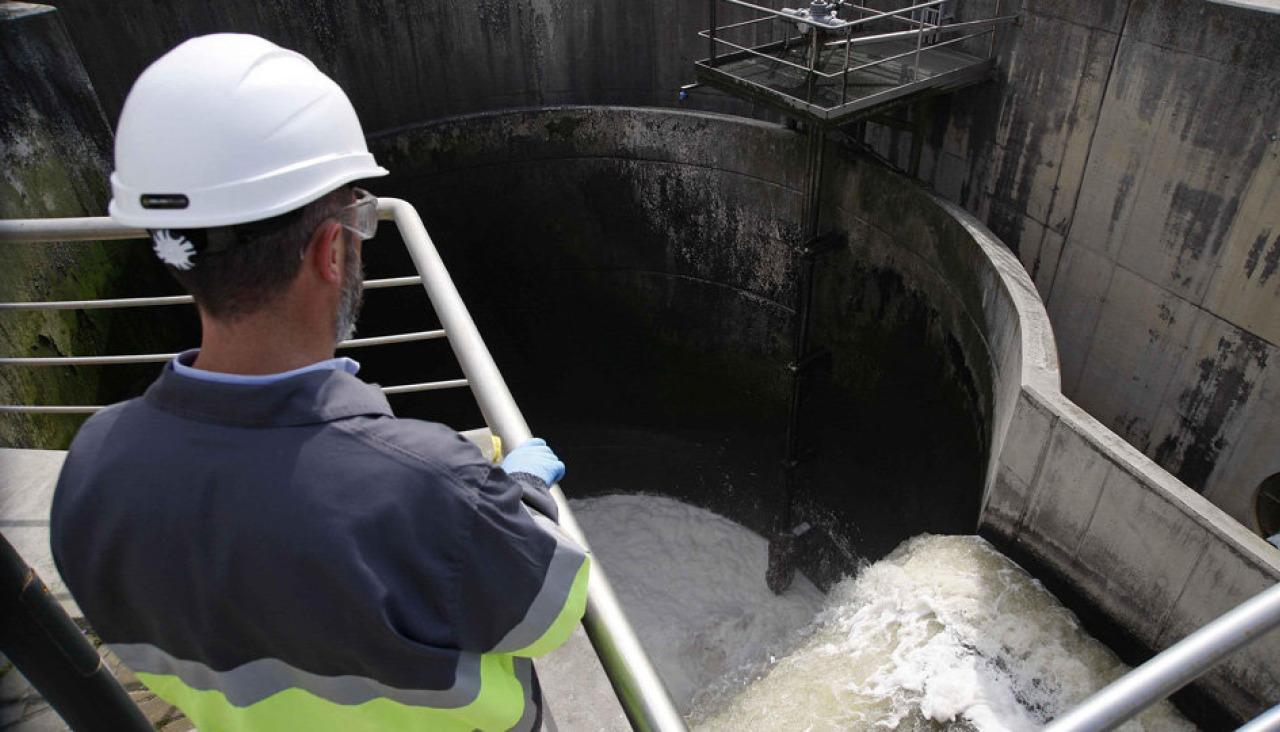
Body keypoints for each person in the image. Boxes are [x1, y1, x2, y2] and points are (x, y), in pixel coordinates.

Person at [49, 34, 588, 732]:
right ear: (331, 250)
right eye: (358, 218)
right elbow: (551, 611)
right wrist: (522, 496)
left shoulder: (92, 468)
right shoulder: (427, 489)